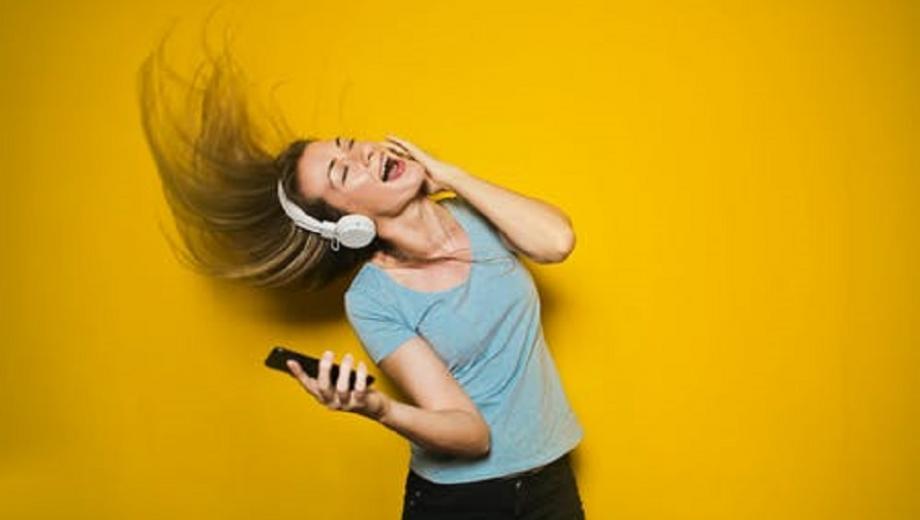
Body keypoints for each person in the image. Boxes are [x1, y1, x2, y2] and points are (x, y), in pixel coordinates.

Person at [138, 39, 586, 519]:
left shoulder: (476, 214)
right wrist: (378, 408)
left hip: (550, 478)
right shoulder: (373, 298)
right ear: (348, 226)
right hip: (462, 501)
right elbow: (471, 434)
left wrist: (450, 174)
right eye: (342, 173)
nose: (364, 157)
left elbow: (556, 242)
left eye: (351, 147)